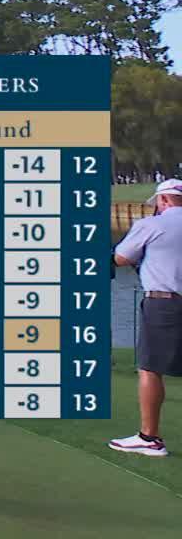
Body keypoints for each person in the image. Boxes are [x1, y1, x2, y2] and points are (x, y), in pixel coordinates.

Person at [110, 177, 182, 457]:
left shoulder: (151, 225)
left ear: (163, 200)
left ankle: (149, 438)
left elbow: (121, 258)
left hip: (164, 304)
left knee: (150, 368)